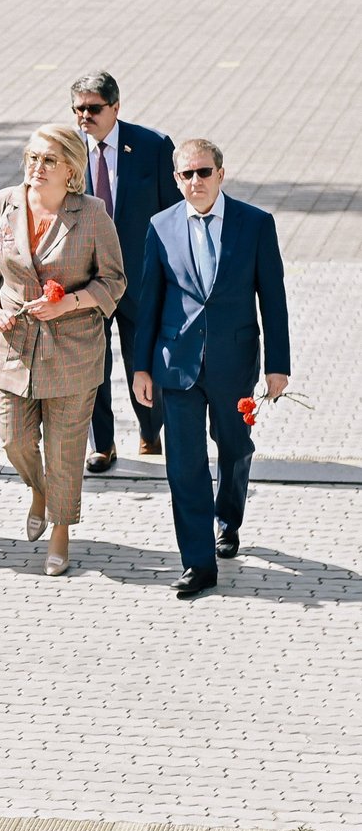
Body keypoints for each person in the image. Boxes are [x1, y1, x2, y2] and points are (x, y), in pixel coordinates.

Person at [133, 139, 290, 599]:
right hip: (176, 365)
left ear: (221, 174)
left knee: (235, 447)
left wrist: (278, 366)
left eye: (203, 172)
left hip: (234, 362)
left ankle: (229, 518)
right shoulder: (161, 225)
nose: (195, 181)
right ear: (176, 178)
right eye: (186, 174)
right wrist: (141, 368)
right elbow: (150, 299)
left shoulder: (255, 224)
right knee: (184, 465)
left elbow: (273, 298)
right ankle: (198, 563)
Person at [0, 125, 126, 576]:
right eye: (33, 157)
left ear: (71, 169)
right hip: (14, 347)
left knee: (64, 451)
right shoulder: (2, 203)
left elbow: (114, 280)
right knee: (14, 440)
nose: (37, 167)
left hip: (73, 352)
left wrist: (68, 302)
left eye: (49, 160)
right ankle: (39, 489)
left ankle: (60, 530)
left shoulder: (92, 213)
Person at [70, 70, 179, 472]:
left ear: (115, 107)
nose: (85, 116)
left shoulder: (152, 146)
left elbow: (173, 215)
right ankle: (102, 444)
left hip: (140, 279)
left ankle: (151, 430)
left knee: (142, 360)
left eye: (94, 108)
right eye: (78, 109)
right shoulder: (67, 149)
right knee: (92, 366)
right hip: (87, 280)